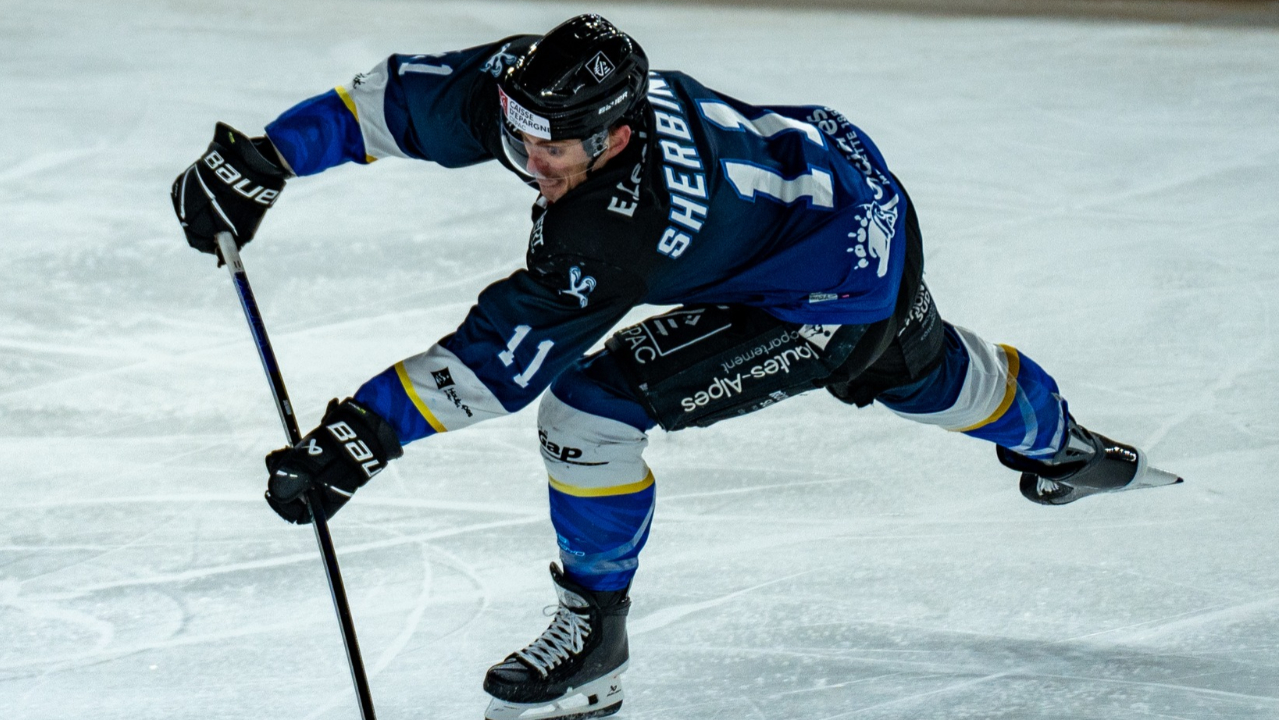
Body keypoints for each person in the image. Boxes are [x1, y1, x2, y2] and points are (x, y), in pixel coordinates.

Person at [171, 15, 1181, 720]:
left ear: (615, 135)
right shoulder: (535, 96)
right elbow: (397, 102)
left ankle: (593, 639)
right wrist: (265, 157)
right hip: (834, 178)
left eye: (551, 150)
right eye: (517, 133)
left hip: (828, 285)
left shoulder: (620, 228)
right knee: (928, 368)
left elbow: (498, 358)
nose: (528, 159)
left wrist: (359, 438)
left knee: (589, 412)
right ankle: (1066, 447)